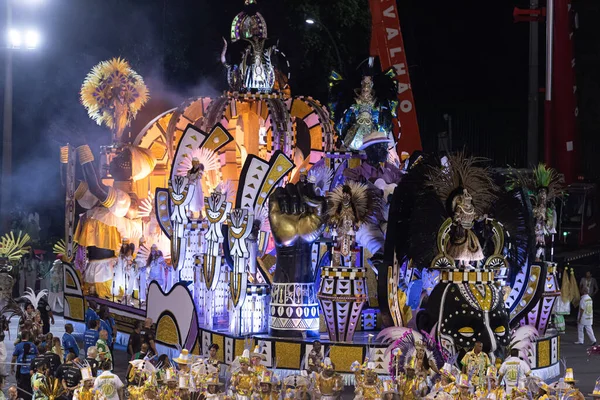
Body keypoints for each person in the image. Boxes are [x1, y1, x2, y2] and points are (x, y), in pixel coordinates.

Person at [11, 331, 38, 400]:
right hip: (31, 372)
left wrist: (12, 368)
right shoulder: (33, 345)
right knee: (30, 388)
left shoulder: (18, 348)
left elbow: (14, 358)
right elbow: (38, 356)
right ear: (28, 336)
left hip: (22, 372)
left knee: (21, 388)